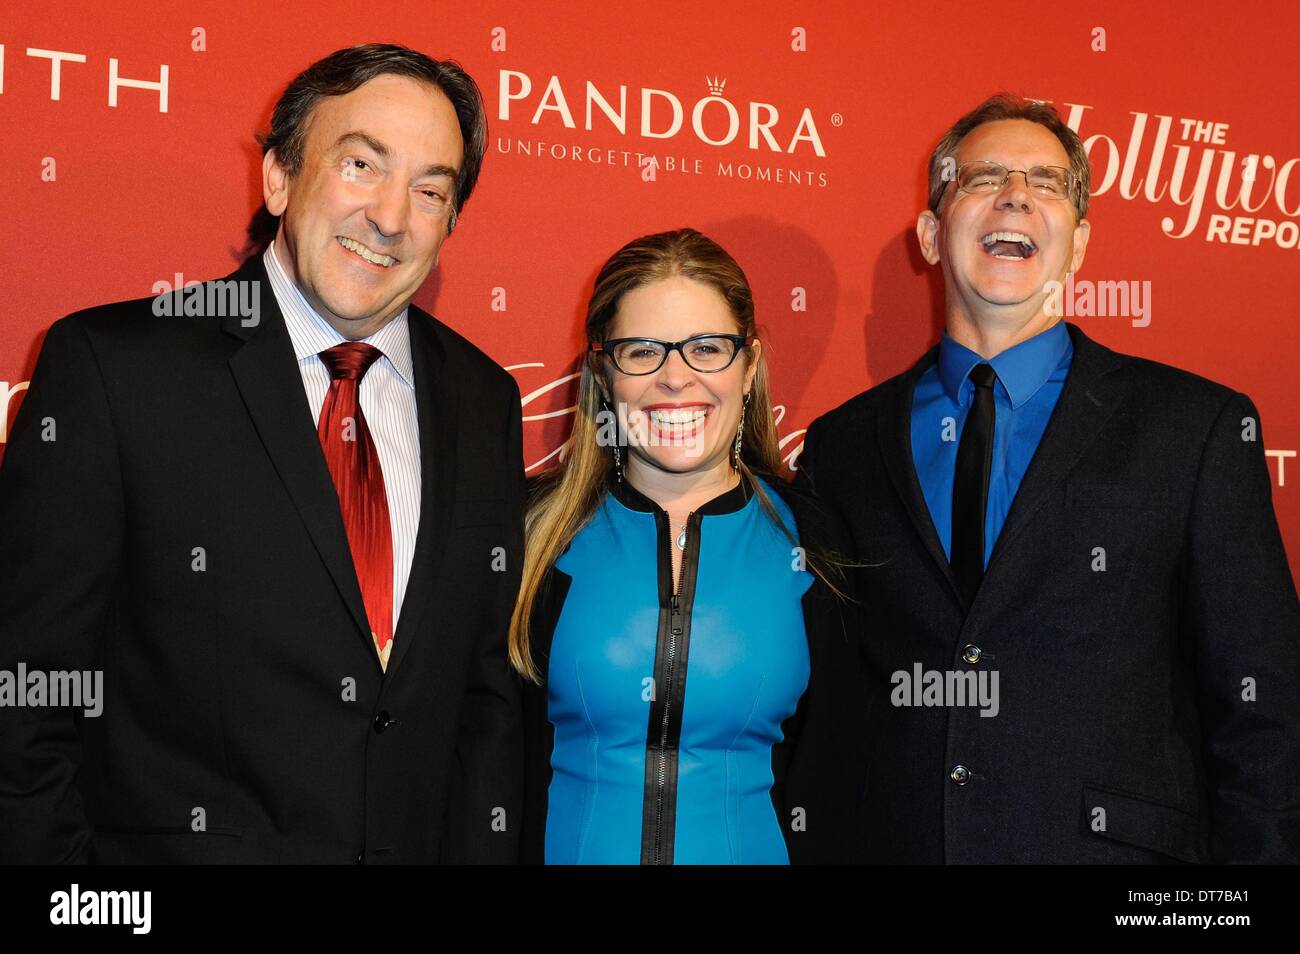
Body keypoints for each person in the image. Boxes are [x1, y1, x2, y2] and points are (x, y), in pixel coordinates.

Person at [0, 44, 524, 864]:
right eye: (361, 165)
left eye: (430, 190)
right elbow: (26, 696)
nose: (391, 216)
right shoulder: (117, 369)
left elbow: (484, 704)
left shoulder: (484, 399)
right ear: (279, 176)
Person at [798, 93, 1300, 863]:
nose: (1016, 196)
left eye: (1048, 183)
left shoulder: (1195, 428)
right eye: (984, 177)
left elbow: (1262, 714)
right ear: (932, 234)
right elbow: (828, 708)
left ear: (1080, 244)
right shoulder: (842, 446)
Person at [512, 228, 865, 865]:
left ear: (750, 366)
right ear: (603, 372)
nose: (676, 378)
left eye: (707, 348)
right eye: (642, 351)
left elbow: (844, 776)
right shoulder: (531, 533)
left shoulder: (815, 543)